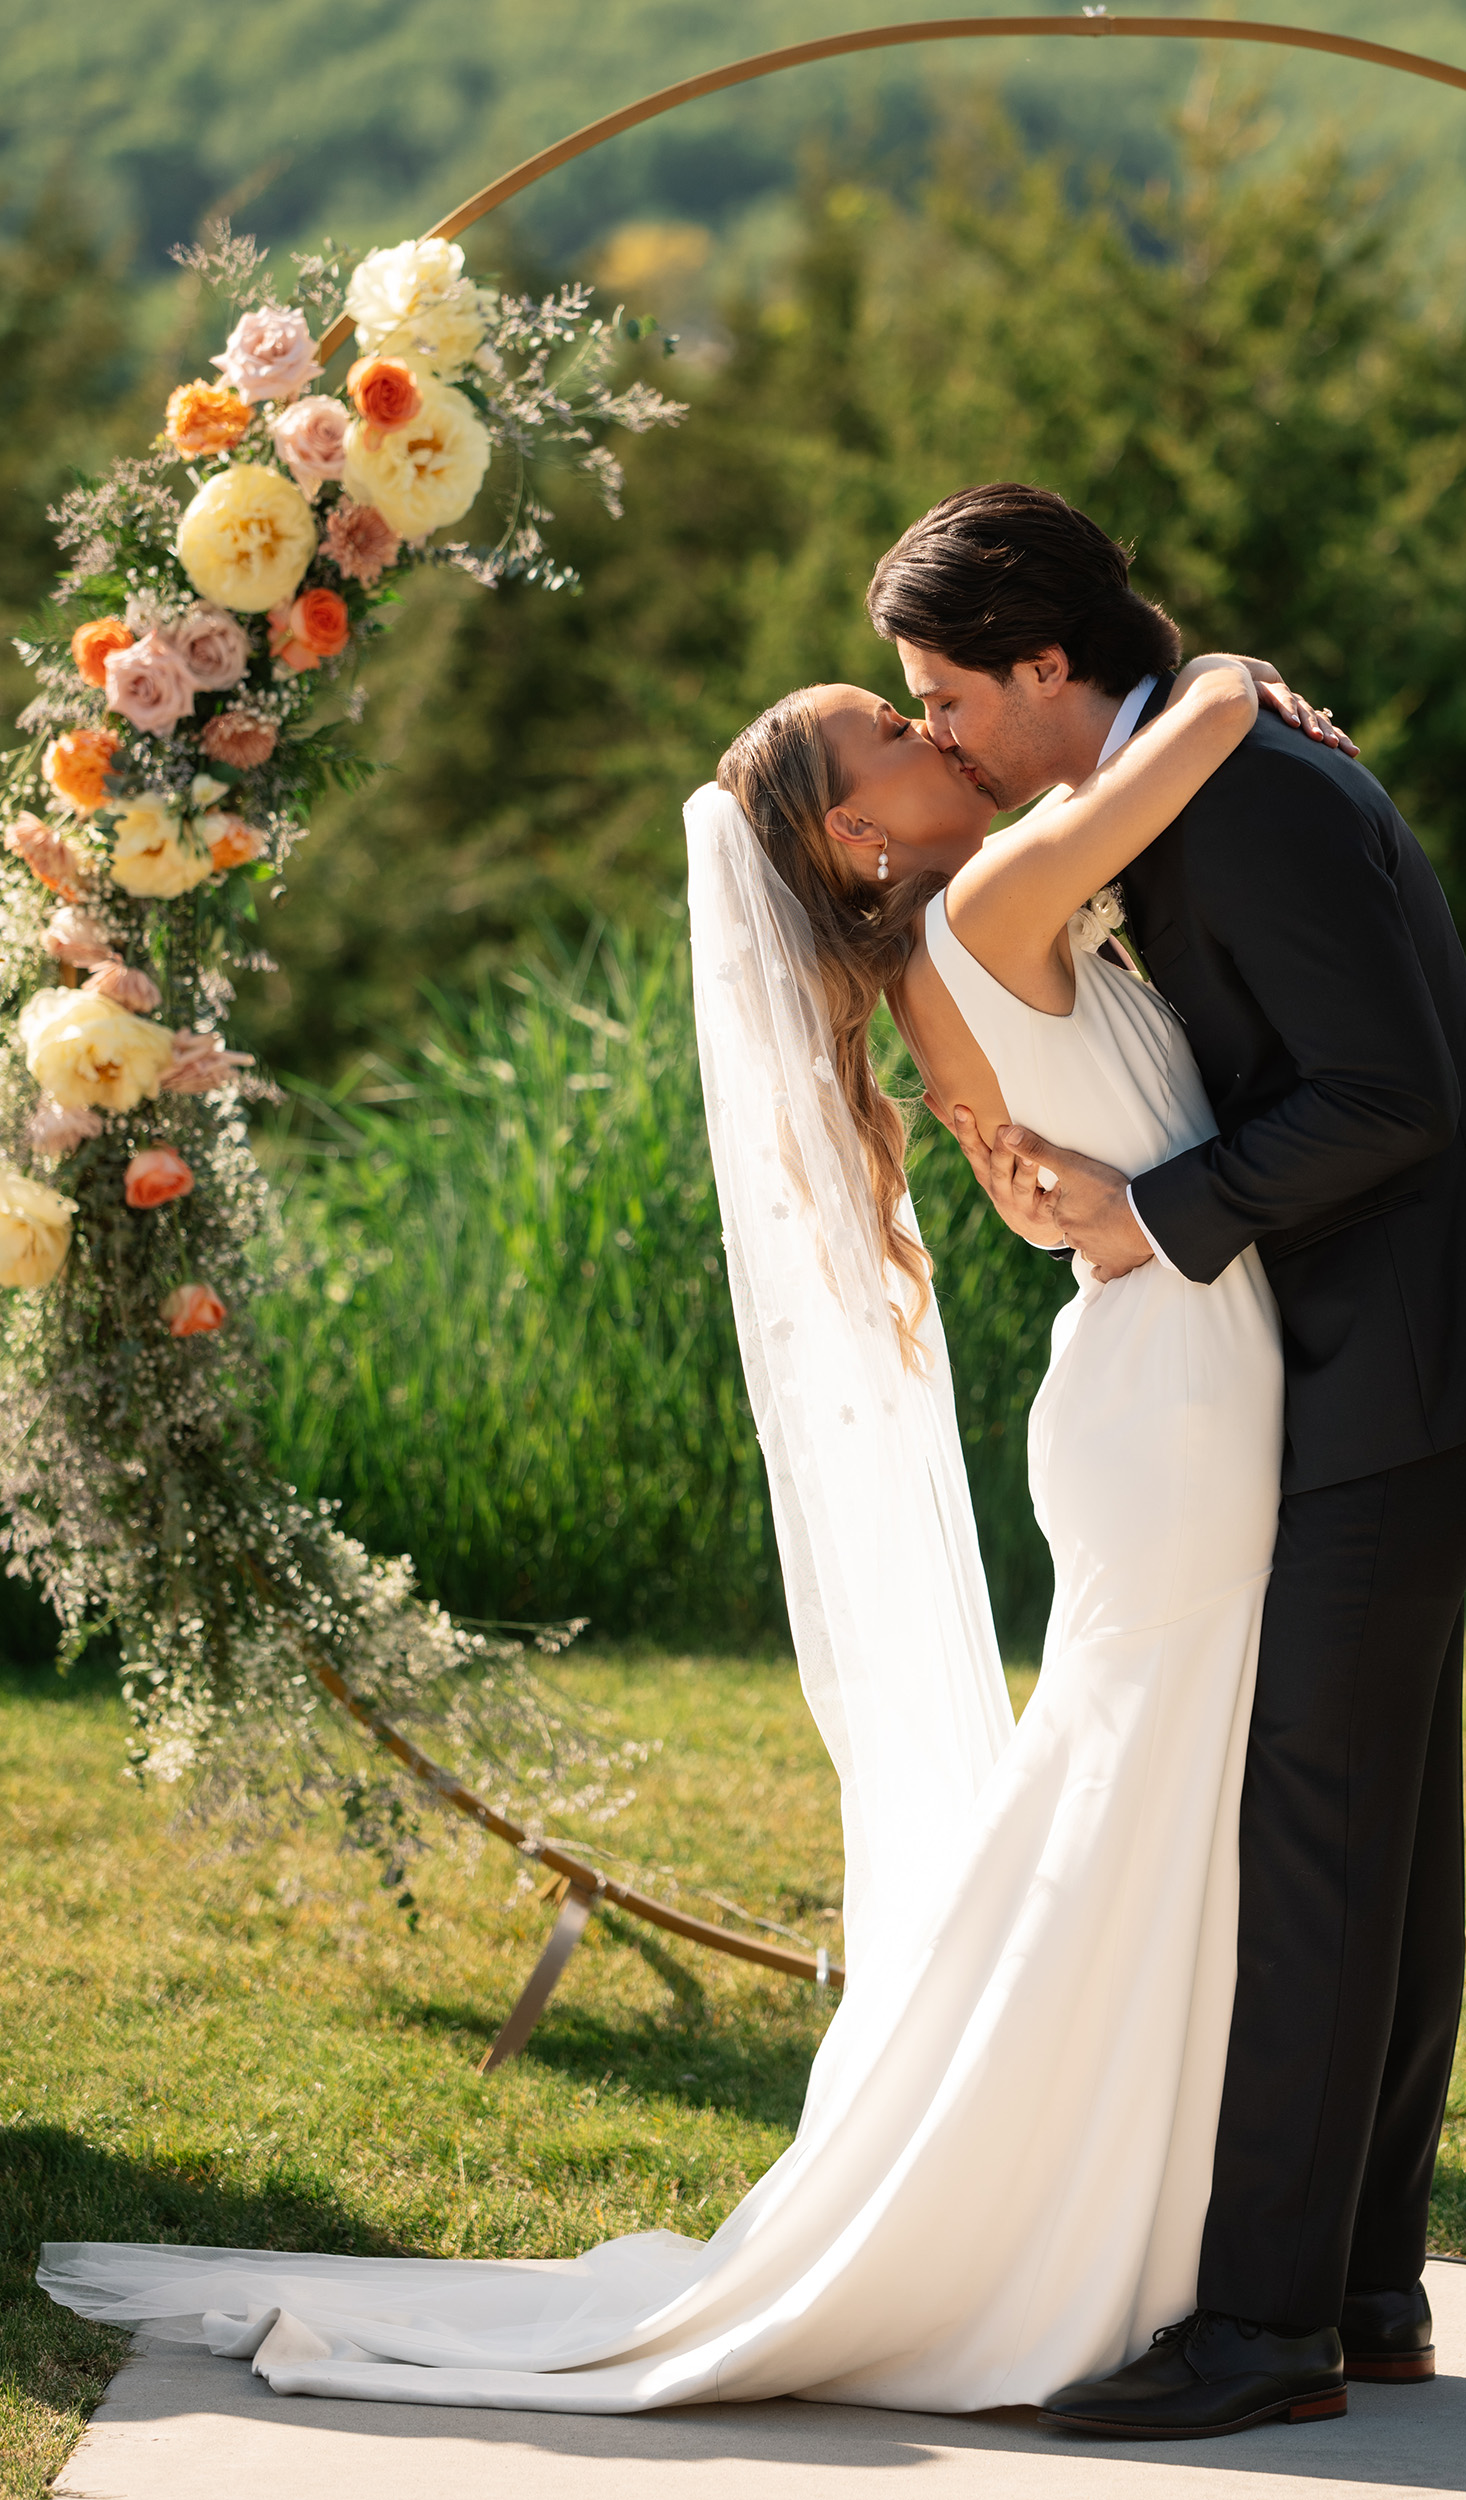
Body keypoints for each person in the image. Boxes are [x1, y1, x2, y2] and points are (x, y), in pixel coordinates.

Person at [39, 645, 1350, 2423]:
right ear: (851, 841)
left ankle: (1119, 2209)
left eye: (911, 706)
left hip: (1163, 1383)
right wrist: (1221, 673)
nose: (927, 731)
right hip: (1177, 1406)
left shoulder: (960, 929)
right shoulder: (1000, 905)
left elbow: (1058, 1152)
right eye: (889, 731)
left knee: (1153, 1808)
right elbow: (1184, 736)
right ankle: (1059, 2219)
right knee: (1148, 1804)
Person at [865, 482, 1466, 2437]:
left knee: (1318, 1828)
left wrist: (1152, 1211)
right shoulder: (1205, 755)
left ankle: (1269, 2324)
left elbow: (1389, 1094)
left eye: (941, 689)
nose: (925, 722)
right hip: (1372, 1345)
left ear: (1047, 669)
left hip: (1391, 1353)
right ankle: (1363, 2283)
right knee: (1386, 1823)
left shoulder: (1250, 787)